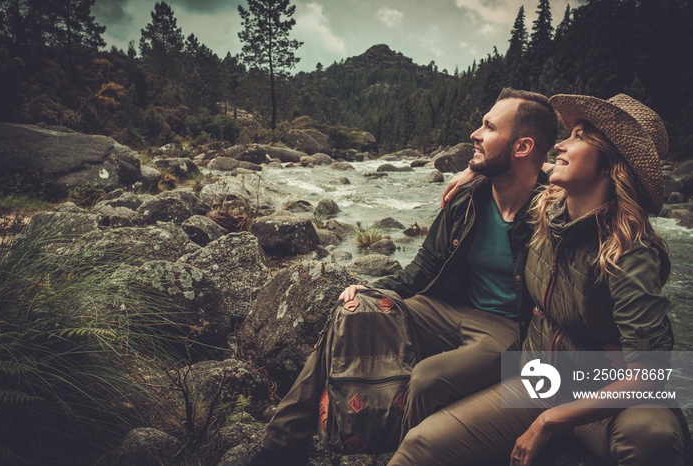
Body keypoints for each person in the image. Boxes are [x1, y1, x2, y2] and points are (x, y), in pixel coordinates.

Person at [224, 88, 558, 466]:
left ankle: (399, 454)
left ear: (522, 147)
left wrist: (495, 169)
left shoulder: (555, 208)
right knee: (353, 309)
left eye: (488, 127)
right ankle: (280, 445)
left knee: (428, 378)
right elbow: (423, 270)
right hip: (448, 309)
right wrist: (372, 290)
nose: (474, 135)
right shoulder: (469, 198)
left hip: (512, 329)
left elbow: (597, 182)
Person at [387, 93, 687, 466]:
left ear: (610, 164)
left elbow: (652, 372)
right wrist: (476, 170)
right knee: (420, 446)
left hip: (600, 391)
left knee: (651, 433)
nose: (560, 143)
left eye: (578, 137)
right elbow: (519, 158)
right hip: (540, 378)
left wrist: (549, 420)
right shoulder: (547, 210)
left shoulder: (629, 251)